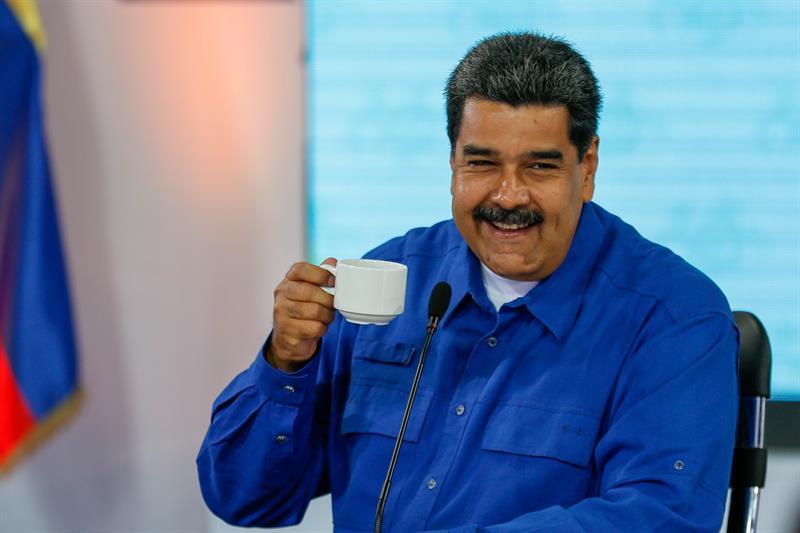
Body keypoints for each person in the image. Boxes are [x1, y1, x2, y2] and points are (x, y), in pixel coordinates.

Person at [197, 32, 738, 532]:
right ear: (453, 160)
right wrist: (285, 363)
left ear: (588, 166)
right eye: (482, 163)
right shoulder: (391, 280)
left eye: (539, 167)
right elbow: (246, 498)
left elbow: (660, 517)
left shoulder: (674, 316)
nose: (508, 196)